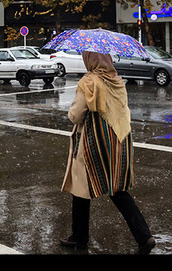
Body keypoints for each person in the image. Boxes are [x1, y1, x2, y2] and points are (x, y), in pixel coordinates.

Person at [60, 51, 156, 254]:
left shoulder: (89, 82)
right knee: (117, 189)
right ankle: (144, 236)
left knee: (81, 188)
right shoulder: (117, 80)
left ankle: (79, 237)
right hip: (118, 139)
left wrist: (73, 108)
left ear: (91, 60)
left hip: (93, 141)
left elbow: (76, 116)